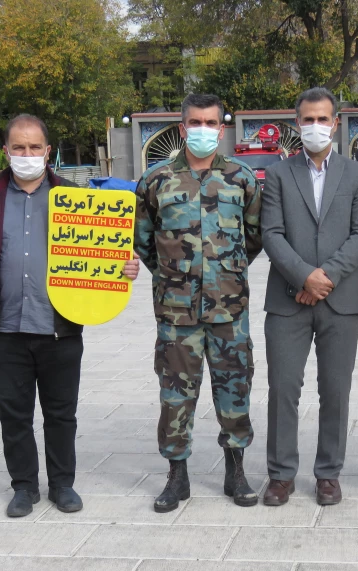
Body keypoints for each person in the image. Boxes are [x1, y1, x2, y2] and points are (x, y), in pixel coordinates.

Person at [0, 114, 140, 518]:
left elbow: (103, 255)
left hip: (59, 328)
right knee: (14, 415)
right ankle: (24, 487)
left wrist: (122, 269)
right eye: (18, 148)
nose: (26, 155)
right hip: (6, 330)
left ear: (48, 151)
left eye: (34, 147)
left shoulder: (74, 198)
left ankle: (62, 484)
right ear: (6, 151)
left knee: (61, 415)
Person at [135, 93, 262, 513]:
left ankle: (236, 470)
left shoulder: (241, 178)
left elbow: (255, 237)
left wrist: (226, 272)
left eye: (211, 123)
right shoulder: (155, 180)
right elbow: (144, 242)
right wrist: (174, 277)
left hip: (229, 313)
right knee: (175, 397)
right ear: (182, 126)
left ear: (221, 129)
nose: (203, 129)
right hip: (176, 314)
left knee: (235, 391)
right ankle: (177, 477)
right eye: (195, 122)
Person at [260, 87, 358, 507]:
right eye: (307, 120)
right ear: (297, 124)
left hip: (341, 300)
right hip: (287, 300)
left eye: (322, 119)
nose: (315, 126)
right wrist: (304, 278)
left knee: (336, 390)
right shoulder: (278, 174)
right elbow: (271, 234)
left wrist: (324, 277)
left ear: (336, 123)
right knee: (283, 389)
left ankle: (328, 473)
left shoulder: (357, 175)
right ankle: (280, 474)